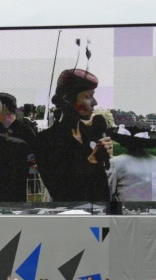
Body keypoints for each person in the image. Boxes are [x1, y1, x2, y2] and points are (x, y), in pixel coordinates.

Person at [32, 68, 112, 201]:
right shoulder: (46, 140)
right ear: (68, 99)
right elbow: (59, 192)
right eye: (88, 96)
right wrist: (92, 161)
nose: (95, 102)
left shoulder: (91, 134)